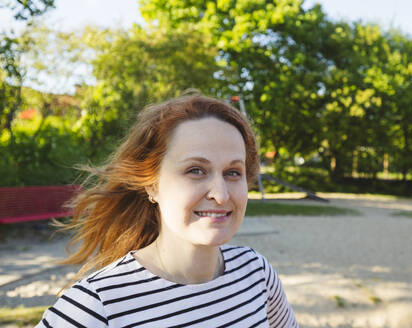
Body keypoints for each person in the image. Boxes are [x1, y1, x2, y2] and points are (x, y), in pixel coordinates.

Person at [36, 93, 298, 327]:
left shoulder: (256, 273)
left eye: (233, 172)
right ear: (152, 185)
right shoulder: (98, 306)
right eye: (195, 170)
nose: (220, 194)